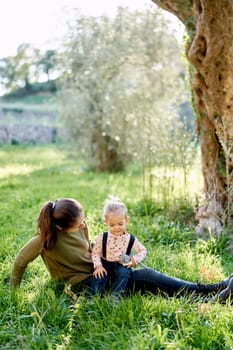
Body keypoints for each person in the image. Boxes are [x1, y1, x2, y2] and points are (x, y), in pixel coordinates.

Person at [10, 197, 233, 302]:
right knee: (145, 282)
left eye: (83, 220)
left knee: (146, 277)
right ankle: (211, 298)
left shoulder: (81, 226)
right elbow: (20, 262)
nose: (83, 225)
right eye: (78, 224)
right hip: (83, 285)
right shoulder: (43, 240)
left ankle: (212, 289)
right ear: (60, 227)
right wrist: (14, 291)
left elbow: (89, 248)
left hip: (102, 271)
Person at [92, 196, 147, 299]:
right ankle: (93, 297)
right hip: (105, 263)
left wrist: (135, 259)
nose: (117, 228)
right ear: (106, 223)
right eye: (112, 225)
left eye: (120, 224)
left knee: (124, 274)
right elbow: (95, 252)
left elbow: (143, 250)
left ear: (126, 220)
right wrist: (98, 265)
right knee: (98, 276)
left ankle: (115, 296)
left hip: (121, 263)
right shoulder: (102, 237)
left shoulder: (130, 239)